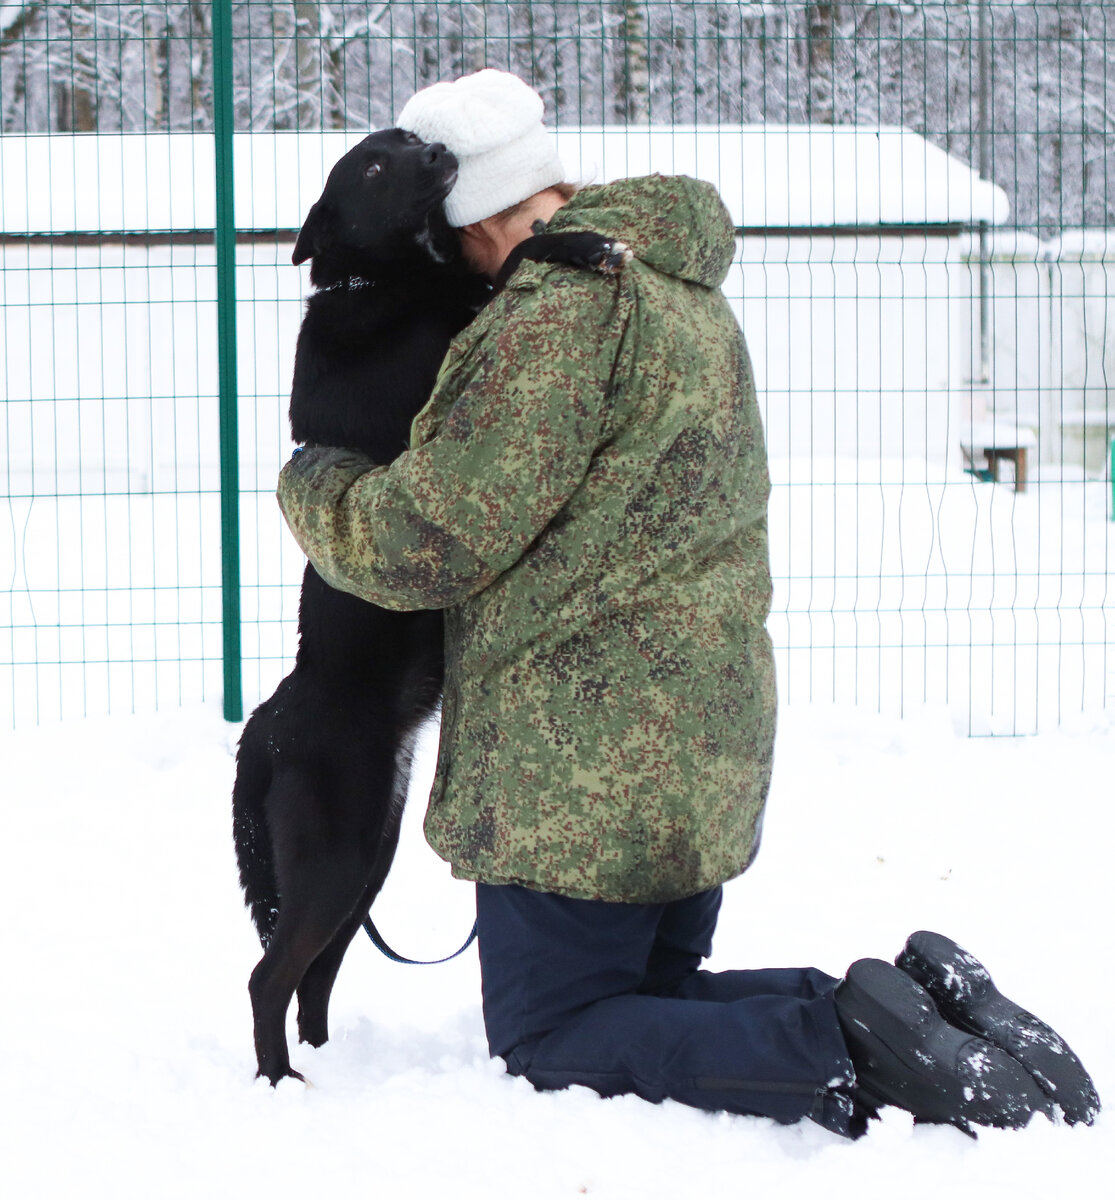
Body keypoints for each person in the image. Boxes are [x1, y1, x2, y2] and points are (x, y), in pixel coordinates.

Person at [277, 69, 1098, 1136]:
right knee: (641, 1002)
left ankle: (851, 1045)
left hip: (577, 767)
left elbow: (426, 544)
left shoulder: (551, 323)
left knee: (552, 1033)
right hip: (700, 737)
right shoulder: (673, 287)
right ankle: (930, 1004)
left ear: (478, 213)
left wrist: (315, 481)